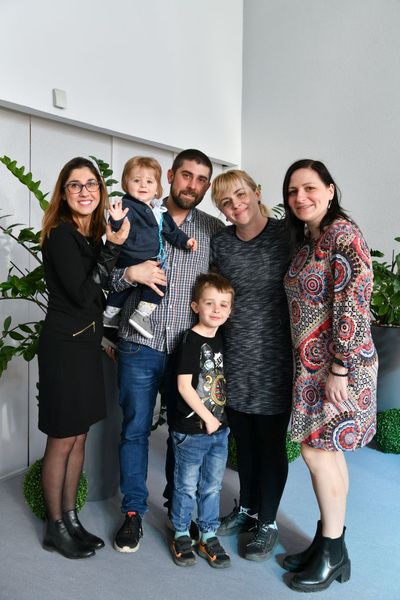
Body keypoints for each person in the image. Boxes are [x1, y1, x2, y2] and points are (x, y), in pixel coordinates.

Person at [108, 149, 224, 554]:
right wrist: (129, 273)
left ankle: (179, 513)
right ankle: (133, 513)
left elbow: (222, 291)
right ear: (170, 176)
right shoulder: (130, 213)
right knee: (135, 430)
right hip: (139, 344)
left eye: (201, 179)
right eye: (187, 175)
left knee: (183, 436)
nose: (193, 185)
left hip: (185, 354)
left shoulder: (211, 230)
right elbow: (105, 273)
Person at [282, 159, 377, 592]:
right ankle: (328, 543)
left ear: (330, 190)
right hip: (312, 368)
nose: (300, 197)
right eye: (292, 191)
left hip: (338, 367)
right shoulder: (308, 239)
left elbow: (354, 300)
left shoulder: (343, 234)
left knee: (318, 453)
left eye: (309, 188)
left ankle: (333, 552)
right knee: (326, 453)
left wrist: (340, 367)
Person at [38, 157, 129, 559]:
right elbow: (82, 293)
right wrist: (112, 247)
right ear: (64, 193)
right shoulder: (61, 235)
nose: (85, 191)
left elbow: (100, 293)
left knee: (78, 436)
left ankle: (71, 519)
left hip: (86, 344)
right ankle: (54, 526)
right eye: (75, 185)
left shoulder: (87, 236)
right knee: (62, 438)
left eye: (91, 183)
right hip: (64, 348)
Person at [210, 170, 293, 562]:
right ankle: (246, 508)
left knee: (270, 441)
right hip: (235, 354)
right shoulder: (221, 242)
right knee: (242, 439)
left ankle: (268, 522)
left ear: (257, 193)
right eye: (226, 202)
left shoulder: (286, 235)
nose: (236, 205)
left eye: (241, 195)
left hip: (277, 356)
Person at [169, 272, 234, 569]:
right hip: (192, 431)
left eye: (223, 305)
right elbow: (184, 387)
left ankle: (208, 533)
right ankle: (181, 532)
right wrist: (208, 418)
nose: (216, 310)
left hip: (218, 430)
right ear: (196, 306)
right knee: (186, 485)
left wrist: (217, 422)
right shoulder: (190, 341)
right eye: (209, 303)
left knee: (212, 486)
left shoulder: (222, 339)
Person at [103, 156, 197, 340]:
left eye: (149, 181)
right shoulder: (127, 206)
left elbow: (172, 231)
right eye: (136, 180)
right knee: (159, 283)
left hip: (147, 257)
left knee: (124, 290)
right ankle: (141, 315)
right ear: (126, 183)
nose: (143, 185)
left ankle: (110, 315)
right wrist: (116, 219)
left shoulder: (159, 210)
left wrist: (186, 241)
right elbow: (118, 229)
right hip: (131, 255)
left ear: (157, 188)